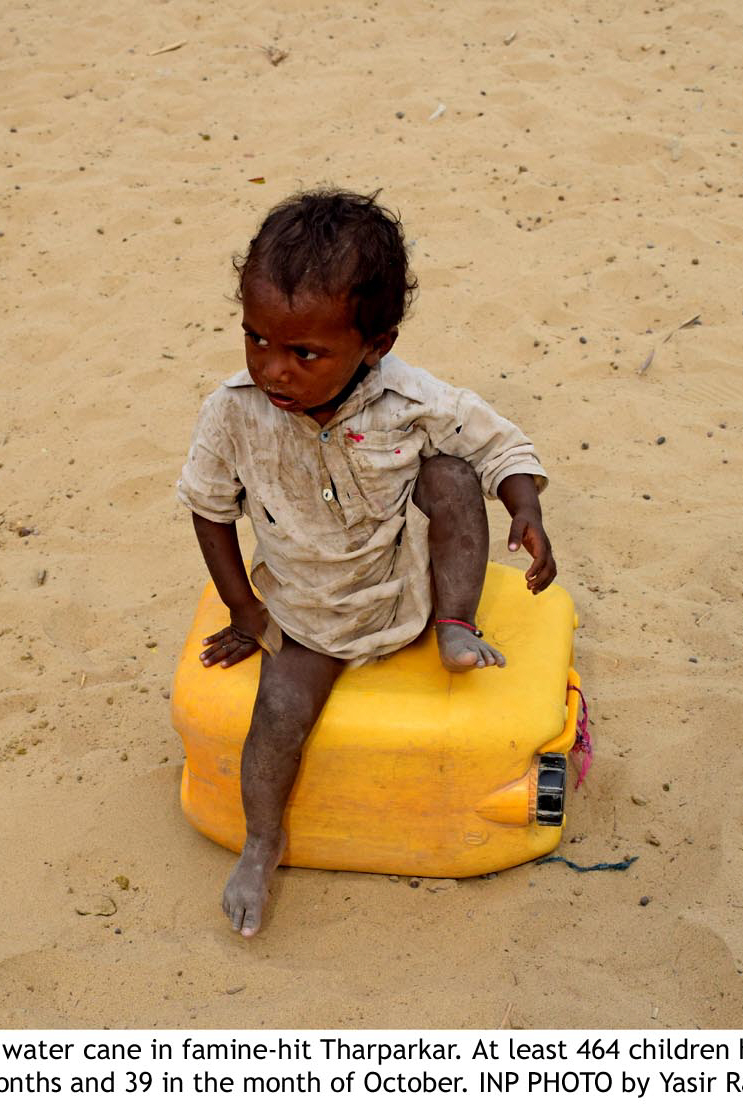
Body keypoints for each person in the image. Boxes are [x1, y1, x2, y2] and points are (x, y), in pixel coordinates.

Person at [176, 188, 556, 936]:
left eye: (303, 352)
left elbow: (495, 441)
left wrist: (525, 505)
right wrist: (246, 612)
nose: (273, 369)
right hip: (311, 616)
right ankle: (262, 843)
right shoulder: (232, 412)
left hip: (405, 592)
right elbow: (208, 508)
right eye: (255, 339)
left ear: (374, 344)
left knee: (449, 473)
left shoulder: (409, 397)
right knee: (275, 721)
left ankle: (454, 621)